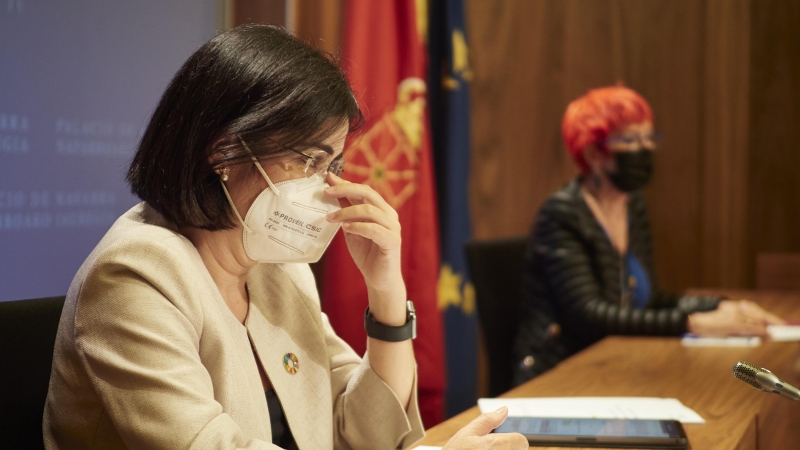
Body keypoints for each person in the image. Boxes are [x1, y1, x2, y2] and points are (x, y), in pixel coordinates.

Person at [43, 25, 526, 450]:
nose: (326, 186)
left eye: (332, 165)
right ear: (224, 150)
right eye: (308, 160)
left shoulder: (278, 266)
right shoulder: (134, 276)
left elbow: (366, 435)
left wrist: (386, 292)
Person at [512, 85, 784, 385]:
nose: (645, 149)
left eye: (648, 138)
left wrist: (722, 306)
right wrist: (695, 323)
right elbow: (591, 317)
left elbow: (649, 300)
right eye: (631, 140)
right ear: (593, 154)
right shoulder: (562, 213)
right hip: (560, 372)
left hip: (617, 363)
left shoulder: (632, 205)